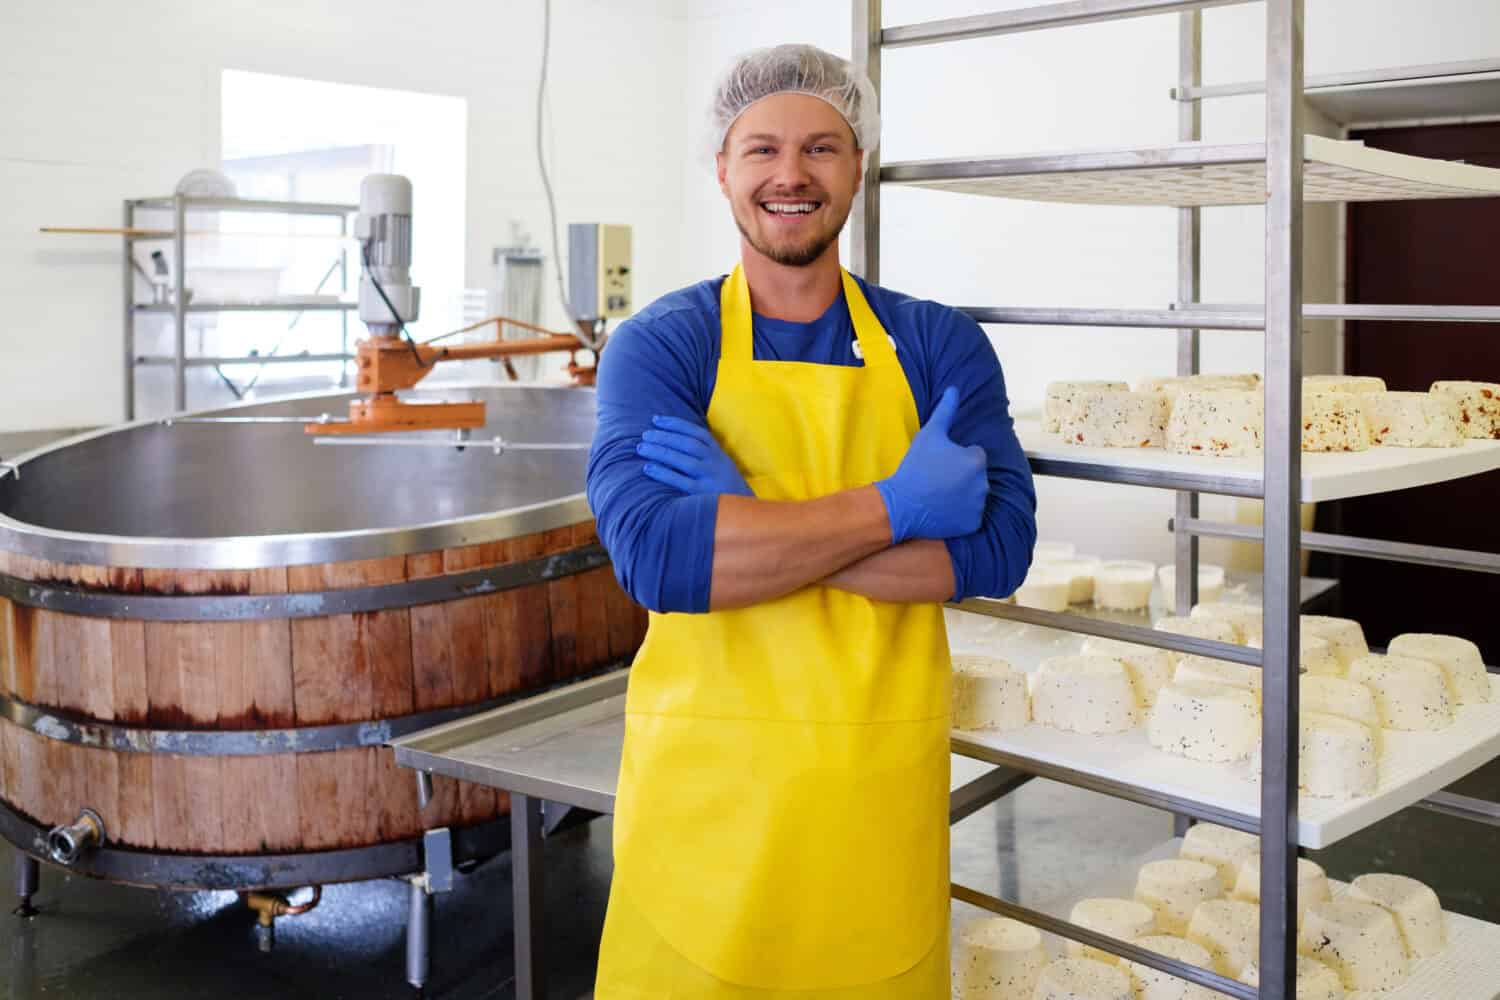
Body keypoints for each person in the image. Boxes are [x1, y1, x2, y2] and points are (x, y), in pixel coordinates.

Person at [586, 42, 1036, 998]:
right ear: (722, 168)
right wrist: (897, 511)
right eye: (761, 150)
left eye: (823, 148)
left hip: (875, 804)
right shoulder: (667, 344)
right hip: (703, 812)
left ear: (858, 167)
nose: (790, 175)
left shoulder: (933, 343)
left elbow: (999, 550)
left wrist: (743, 523)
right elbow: (660, 562)